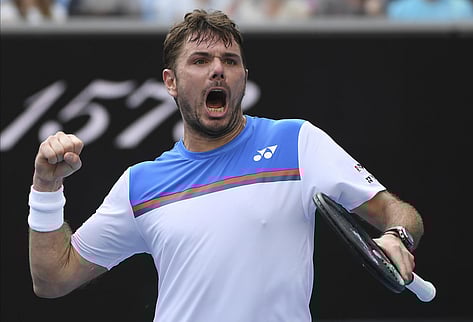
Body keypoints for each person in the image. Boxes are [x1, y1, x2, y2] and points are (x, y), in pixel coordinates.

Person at [28, 9, 424, 322]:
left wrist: (399, 237)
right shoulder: (140, 184)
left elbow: (398, 211)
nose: (218, 69)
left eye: (229, 61)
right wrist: (46, 187)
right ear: (171, 81)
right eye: (200, 60)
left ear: (243, 78)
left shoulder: (297, 143)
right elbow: (53, 279)